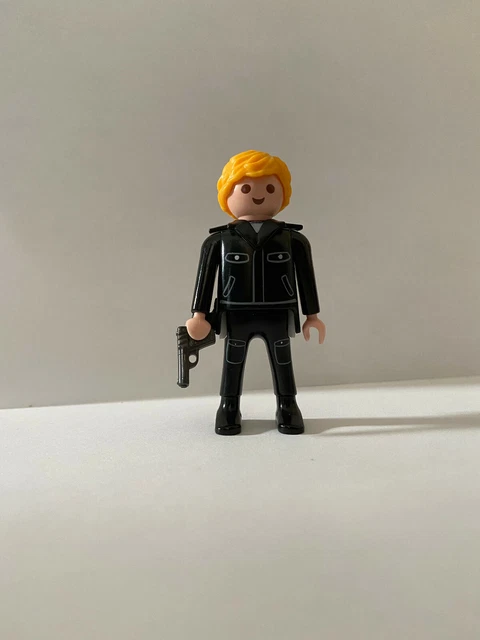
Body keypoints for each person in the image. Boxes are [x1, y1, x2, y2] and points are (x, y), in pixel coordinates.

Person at [185, 150, 326, 435]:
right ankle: (228, 406)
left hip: (278, 311)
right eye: (246, 188)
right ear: (227, 194)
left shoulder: (293, 239)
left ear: (283, 194)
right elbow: (205, 278)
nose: (259, 195)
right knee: (233, 361)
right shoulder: (219, 241)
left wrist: (312, 315)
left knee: (282, 360)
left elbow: (306, 278)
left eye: (270, 188)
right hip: (235, 312)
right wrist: (199, 315)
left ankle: (287, 405)